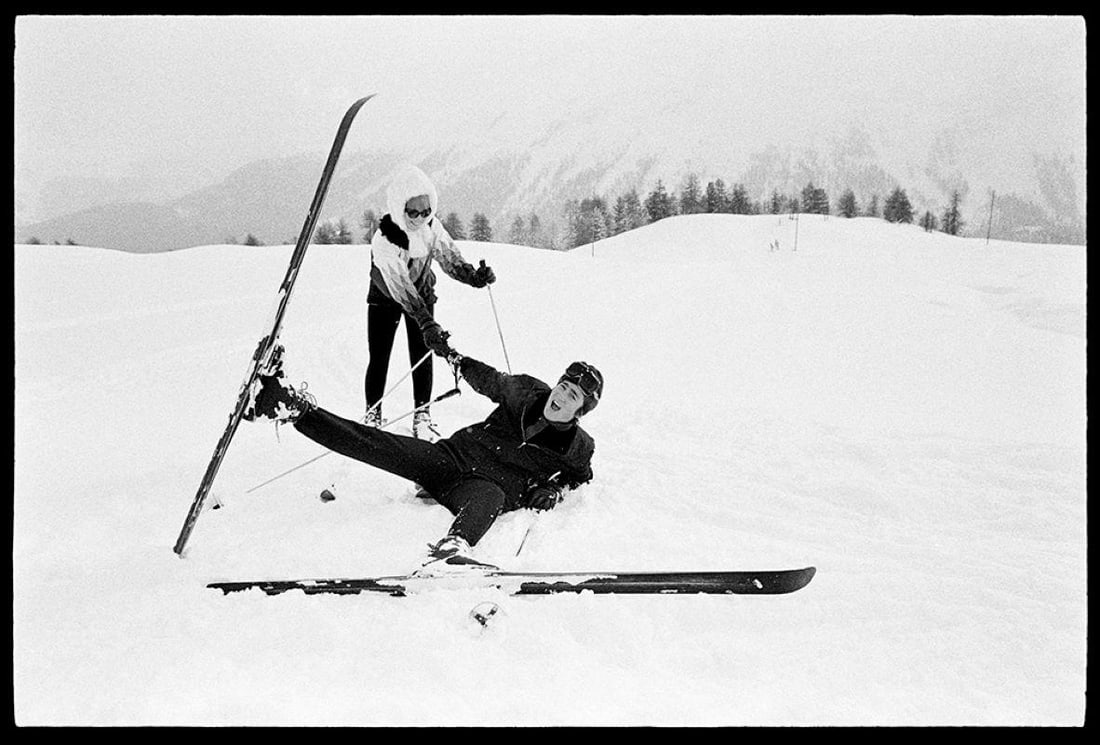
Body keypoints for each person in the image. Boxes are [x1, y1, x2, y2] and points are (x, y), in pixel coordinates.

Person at [242, 344, 602, 570]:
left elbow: (579, 477)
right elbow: (488, 378)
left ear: (580, 412)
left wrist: (552, 490)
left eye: (573, 397)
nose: (561, 397)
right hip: (450, 458)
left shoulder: (578, 447)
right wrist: (452, 355)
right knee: (378, 444)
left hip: (481, 488)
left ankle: (452, 549)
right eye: (563, 387)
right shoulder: (526, 392)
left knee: (490, 497)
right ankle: (288, 406)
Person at [365, 164, 496, 440]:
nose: (421, 217)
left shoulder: (431, 227)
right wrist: (425, 321)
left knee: (422, 355)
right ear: (399, 207)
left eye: (426, 211)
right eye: (413, 212)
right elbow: (400, 287)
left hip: (422, 294)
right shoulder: (385, 238)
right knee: (379, 357)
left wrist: (474, 277)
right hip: (385, 299)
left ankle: (422, 414)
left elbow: (450, 258)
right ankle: (372, 413)